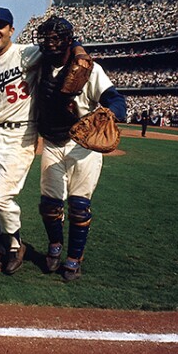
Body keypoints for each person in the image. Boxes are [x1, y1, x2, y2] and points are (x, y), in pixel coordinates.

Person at [0, 7, 88, 275]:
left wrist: (80, 50)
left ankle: (16, 246)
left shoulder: (26, 53)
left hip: (21, 132)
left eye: (1, 25)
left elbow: (62, 40)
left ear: (11, 30)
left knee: (1, 197)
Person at [33, 16, 126, 281]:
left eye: (55, 39)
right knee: (49, 204)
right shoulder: (40, 66)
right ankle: (54, 245)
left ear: (67, 41)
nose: (49, 44)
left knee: (78, 206)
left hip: (82, 144)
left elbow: (115, 99)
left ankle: (74, 257)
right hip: (52, 141)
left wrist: (109, 113)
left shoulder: (89, 69)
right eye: (45, 38)